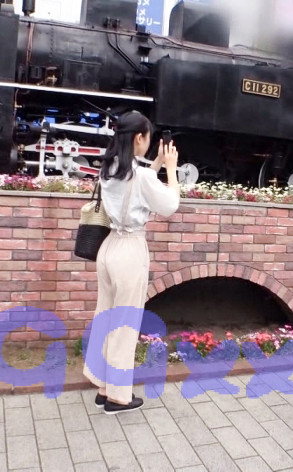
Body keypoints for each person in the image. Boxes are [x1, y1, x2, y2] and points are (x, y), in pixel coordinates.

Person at [82, 111, 181, 415]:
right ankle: (119, 398)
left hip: (108, 247)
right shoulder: (141, 176)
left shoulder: (109, 167)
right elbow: (170, 204)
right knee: (124, 325)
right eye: (148, 137)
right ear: (139, 137)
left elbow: (135, 186)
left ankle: (103, 388)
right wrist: (171, 169)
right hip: (130, 251)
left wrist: (156, 165)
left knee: (106, 318)